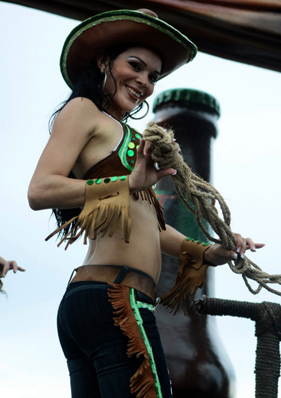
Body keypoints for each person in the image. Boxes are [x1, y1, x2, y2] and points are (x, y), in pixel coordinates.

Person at [28, 9, 264, 398]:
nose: (144, 82)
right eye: (135, 66)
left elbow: (150, 226)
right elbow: (40, 190)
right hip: (116, 301)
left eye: (153, 76)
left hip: (96, 302)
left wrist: (207, 252)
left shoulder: (131, 139)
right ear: (104, 61)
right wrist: (127, 181)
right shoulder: (84, 110)